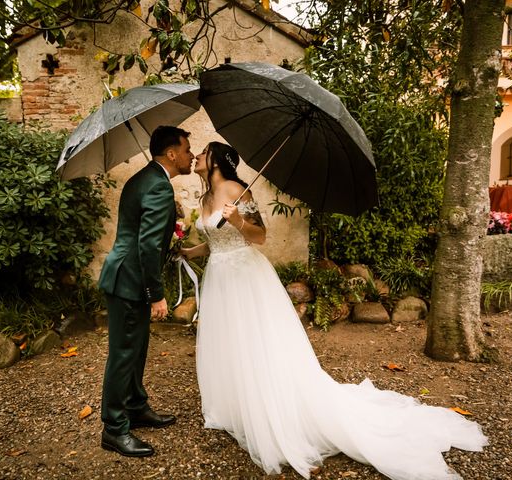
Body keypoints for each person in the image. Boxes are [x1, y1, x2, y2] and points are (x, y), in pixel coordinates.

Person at [180, 141, 488, 480]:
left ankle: (274, 418)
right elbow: (215, 241)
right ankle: (239, 408)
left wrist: (239, 219)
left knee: (257, 345)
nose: (195, 157)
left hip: (245, 278)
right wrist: (189, 251)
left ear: (217, 160)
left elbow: (259, 236)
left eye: (202, 154)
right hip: (221, 279)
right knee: (231, 345)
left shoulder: (237, 190)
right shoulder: (206, 197)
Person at [98, 125, 194, 457]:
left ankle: (136, 406)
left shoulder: (146, 180)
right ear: (171, 154)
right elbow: (148, 246)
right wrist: (157, 293)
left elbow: (146, 232)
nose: (191, 156)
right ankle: (114, 428)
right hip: (129, 280)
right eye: (186, 150)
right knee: (124, 354)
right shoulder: (157, 186)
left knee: (136, 349)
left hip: (127, 275)